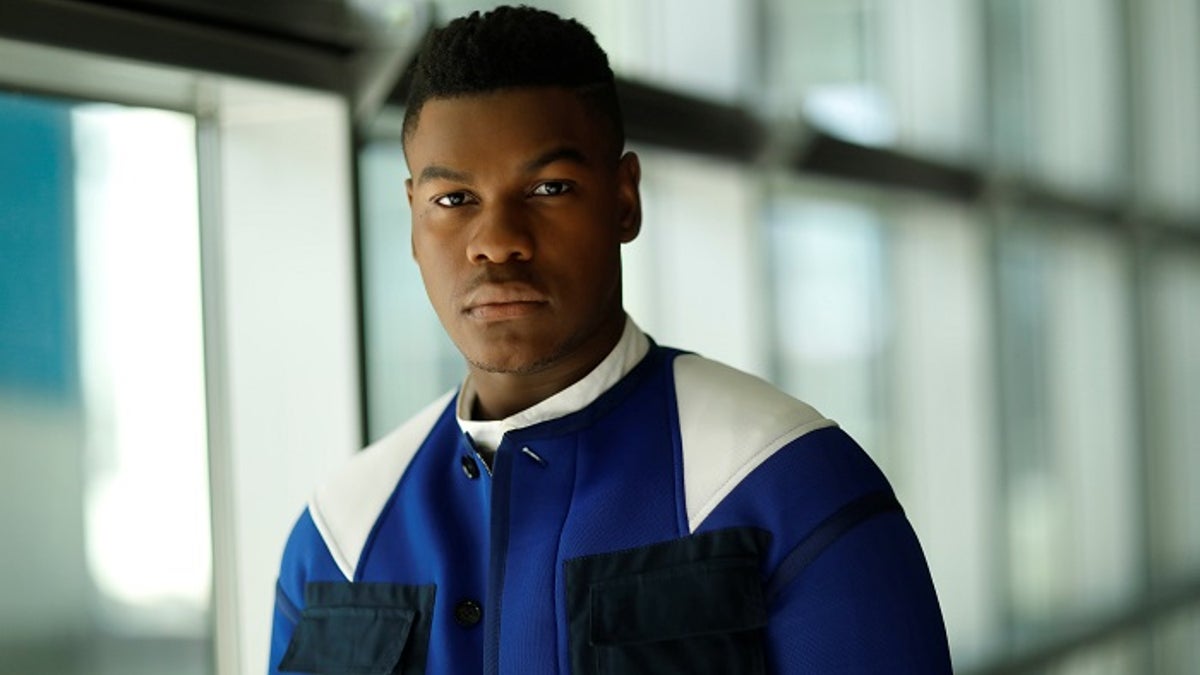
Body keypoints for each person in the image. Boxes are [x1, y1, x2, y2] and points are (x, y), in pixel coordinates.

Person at [269, 5, 952, 674]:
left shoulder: (789, 483)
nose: (497, 242)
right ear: (413, 218)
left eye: (548, 187)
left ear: (624, 200)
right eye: (453, 201)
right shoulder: (338, 536)